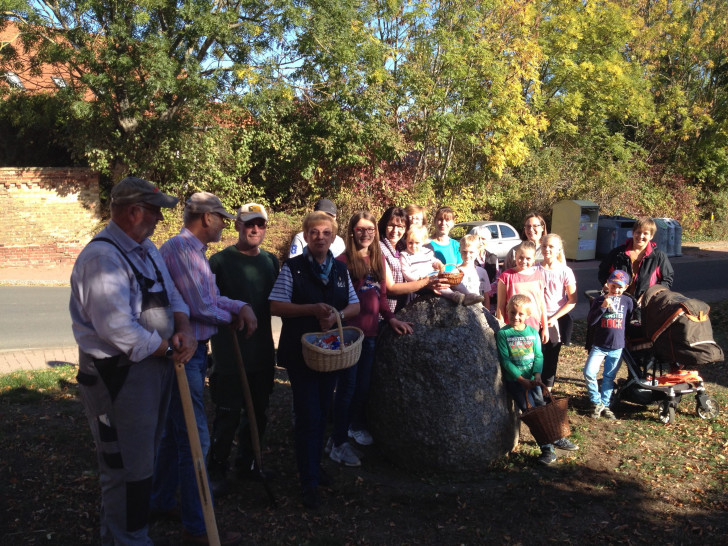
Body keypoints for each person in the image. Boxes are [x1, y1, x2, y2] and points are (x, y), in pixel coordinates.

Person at [70, 176, 197, 545]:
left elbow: (174, 298)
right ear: (134, 211)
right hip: (118, 378)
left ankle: (130, 534)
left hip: (154, 369)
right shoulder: (102, 258)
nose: (160, 218)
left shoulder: (148, 250)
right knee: (124, 466)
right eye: (156, 211)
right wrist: (168, 348)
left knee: (144, 461)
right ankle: (127, 538)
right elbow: (117, 330)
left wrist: (184, 328)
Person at [152, 192, 255, 546]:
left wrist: (240, 305)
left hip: (191, 353)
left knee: (173, 435)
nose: (225, 224)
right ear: (206, 218)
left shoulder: (194, 253)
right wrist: (236, 316)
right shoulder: (181, 252)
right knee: (196, 439)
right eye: (222, 218)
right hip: (184, 356)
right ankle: (197, 527)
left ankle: (161, 500)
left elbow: (209, 300)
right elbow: (200, 307)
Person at [270, 211, 360, 510]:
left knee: (323, 412)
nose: (320, 237)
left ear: (333, 237)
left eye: (326, 233)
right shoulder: (292, 269)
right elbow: (275, 305)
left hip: (330, 353)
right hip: (301, 354)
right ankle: (307, 482)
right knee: (308, 414)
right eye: (314, 233)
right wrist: (311, 309)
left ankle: (314, 467)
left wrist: (337, 316)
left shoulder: (339, 270)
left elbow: (354, 305)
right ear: (305, 236)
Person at [329, 212, 414, 466]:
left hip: (372, 334)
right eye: (360, 229)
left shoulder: (377, 259)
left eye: (369, 229)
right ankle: (337, 442)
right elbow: (338, 301)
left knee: (362, 386)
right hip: (350, 336)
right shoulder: (342, 262)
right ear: (352, 231)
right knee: (346, 389)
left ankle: (348, 431)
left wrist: (392, 319)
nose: (365, 234)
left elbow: (383, 296)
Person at [207, 203, 279, 496]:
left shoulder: (271, 262)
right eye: (249, 223)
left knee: (258, 412)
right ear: (236, 225)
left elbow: (279, 301)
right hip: (229, 353)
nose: (254, 229)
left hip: (261, 352)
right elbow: (207, 302)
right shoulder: (219, 262)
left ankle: (248, 462)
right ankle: (217, 468)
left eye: (260, 224)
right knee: (227, 412)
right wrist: (230, 315)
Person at [497, 294, 578, 466]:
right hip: (516, 383)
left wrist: (537, 375)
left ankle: (556, 437)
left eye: (520, 314)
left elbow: (538, 356)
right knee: (532, 414)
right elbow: (505, 360)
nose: (516, 317)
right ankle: (547, 449)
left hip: (534, 381)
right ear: (507, 311)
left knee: (543, 408)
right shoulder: (503, 334)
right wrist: (520, 379)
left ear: (528, 315)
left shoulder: (533, 332)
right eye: (512, 312)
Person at [584, 270, 634, 419]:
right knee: (589, 372)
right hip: (599, 346)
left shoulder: (627, 301)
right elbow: (591, 321)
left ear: (626, 287)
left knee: (609, 377)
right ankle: (596, 401)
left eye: (620, 287)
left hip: (617, 347)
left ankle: (605, 405)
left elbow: (629, 320)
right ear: (608, 284)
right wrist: (603, 307)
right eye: (613, 286)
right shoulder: (599, 300)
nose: (616, 290)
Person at [598, 216, 674, 306]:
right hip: (618, 303)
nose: (641, 236)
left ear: (651, 236)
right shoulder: (618, 253)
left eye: (645, 233)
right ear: (633, 233)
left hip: (645, 306)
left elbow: (667, 280)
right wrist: (608, 285)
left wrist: (650, 295)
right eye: (638, 232)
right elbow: (603, 271)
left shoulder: (659, 257)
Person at [378, 207, 442, 313]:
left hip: (405, 308)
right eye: (391, 226)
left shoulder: (403, 245)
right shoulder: (379, 248)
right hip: (387, 313)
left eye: (400, 227)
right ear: (384, 225)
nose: (395, 231)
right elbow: (390, 288)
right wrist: (426, 282)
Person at [400, 226, 479, 305]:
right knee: (439, 285)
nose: (413, 246)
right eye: (410, 242)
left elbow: (434, 261)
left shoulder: (426, 252)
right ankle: (453, 295)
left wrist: (439, 264)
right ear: (406, 241)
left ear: (422, 242)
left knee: (452, 280)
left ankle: (469, 294)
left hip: (433, 274)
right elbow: (406, 273)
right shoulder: (404, 255)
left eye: (417, 243)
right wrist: (419, 279)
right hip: (420, 280)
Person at [538, 234, 577, 389]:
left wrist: (554, 317)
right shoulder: (534, 269)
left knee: (551, 357)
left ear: (559, 249)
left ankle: (547, 393)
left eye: (551, 246)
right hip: (537, 319)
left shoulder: (565, 271)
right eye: (544, 246)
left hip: (556, 320)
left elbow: (572, 300)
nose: (547, 249)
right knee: (536, 356)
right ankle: (534, 392)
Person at [496, 240, 549, 344]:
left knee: (529, 357)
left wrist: (545, 327)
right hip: (512, 326)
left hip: (533, 325)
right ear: (515, 256)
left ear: (534, 259)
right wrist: (501, 328)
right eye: (520, 257)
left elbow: (542, 304)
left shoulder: (539, 276)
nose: (524, 261)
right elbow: (501, 306)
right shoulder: (506, 277)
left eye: (528, 258)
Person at [454, 234, 489, 309]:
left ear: (478, 251)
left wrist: (487, 313)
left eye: (471, 252)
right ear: (459, 250)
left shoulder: (482, 272)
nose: (467, 255)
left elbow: (486, 296)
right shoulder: (455, 272)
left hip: (480, 312)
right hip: (464, 311)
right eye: (464, 252)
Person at [425, 206, 461, 271]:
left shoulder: (456, 246)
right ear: (435, 221)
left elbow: (460, 269)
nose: (443, 223)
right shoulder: (426, 244)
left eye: (447, 220)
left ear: (453, 222)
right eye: (440, 219)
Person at [469, 225, 500, 295]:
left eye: (483, 239)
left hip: (491, 297)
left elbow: (497, 279)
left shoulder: (493, 258)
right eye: (477, 238)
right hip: (473, 296)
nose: (480, 241)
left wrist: (487, 291)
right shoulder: (468, 257)